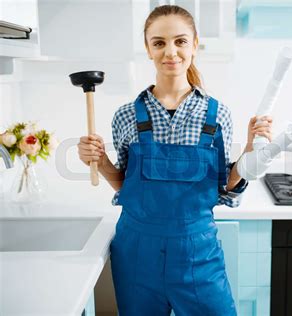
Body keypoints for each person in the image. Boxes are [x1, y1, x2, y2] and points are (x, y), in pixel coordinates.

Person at [77, 5, 272, 316]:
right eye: (159, 42)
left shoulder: (216, 114)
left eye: (180, 41)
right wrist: (100, 162)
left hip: (198, 253)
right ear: (148, 49)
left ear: (194, 44)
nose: (171, 52)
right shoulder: (126, 115)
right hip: (137, 254)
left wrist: (250, 149)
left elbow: (225, 186)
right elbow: (124, 184)